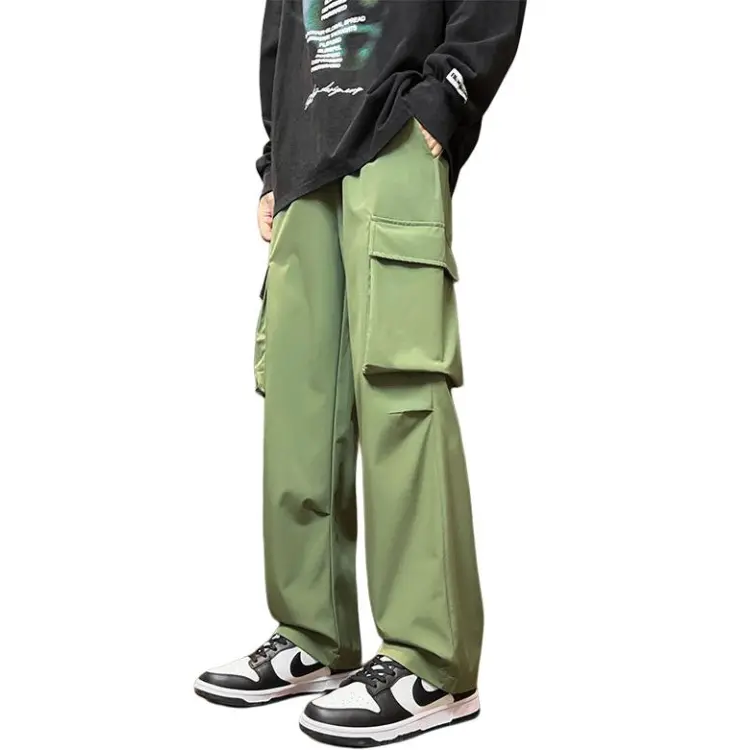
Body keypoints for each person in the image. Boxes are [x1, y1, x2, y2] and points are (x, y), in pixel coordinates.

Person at [195, 1, 525, 745]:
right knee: (299, 403)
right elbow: (284, 32)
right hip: (304, 159)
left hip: (394, 130)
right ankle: (312, 635)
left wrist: (449, 93)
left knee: (400, 391)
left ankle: (432, 661)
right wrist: (273, 161)